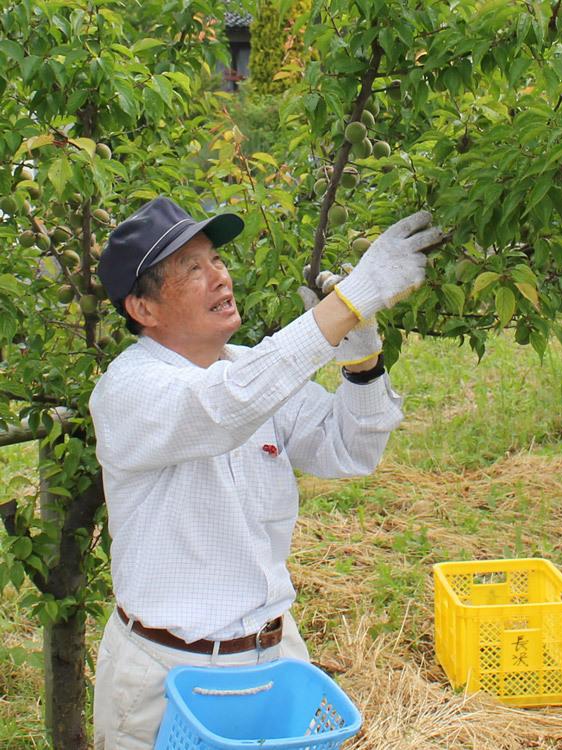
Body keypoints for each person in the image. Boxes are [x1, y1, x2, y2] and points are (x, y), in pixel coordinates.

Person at [89, 195, 442, 749]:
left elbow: (350, 449)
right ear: (144, 309)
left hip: (274, 658)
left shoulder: (248, 370)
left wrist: (362, 362)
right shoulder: (128, 391)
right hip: (166, 676)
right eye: (192, 269)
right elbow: (224, 407)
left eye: (217, 261)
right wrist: (347, 301)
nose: (219, 278)